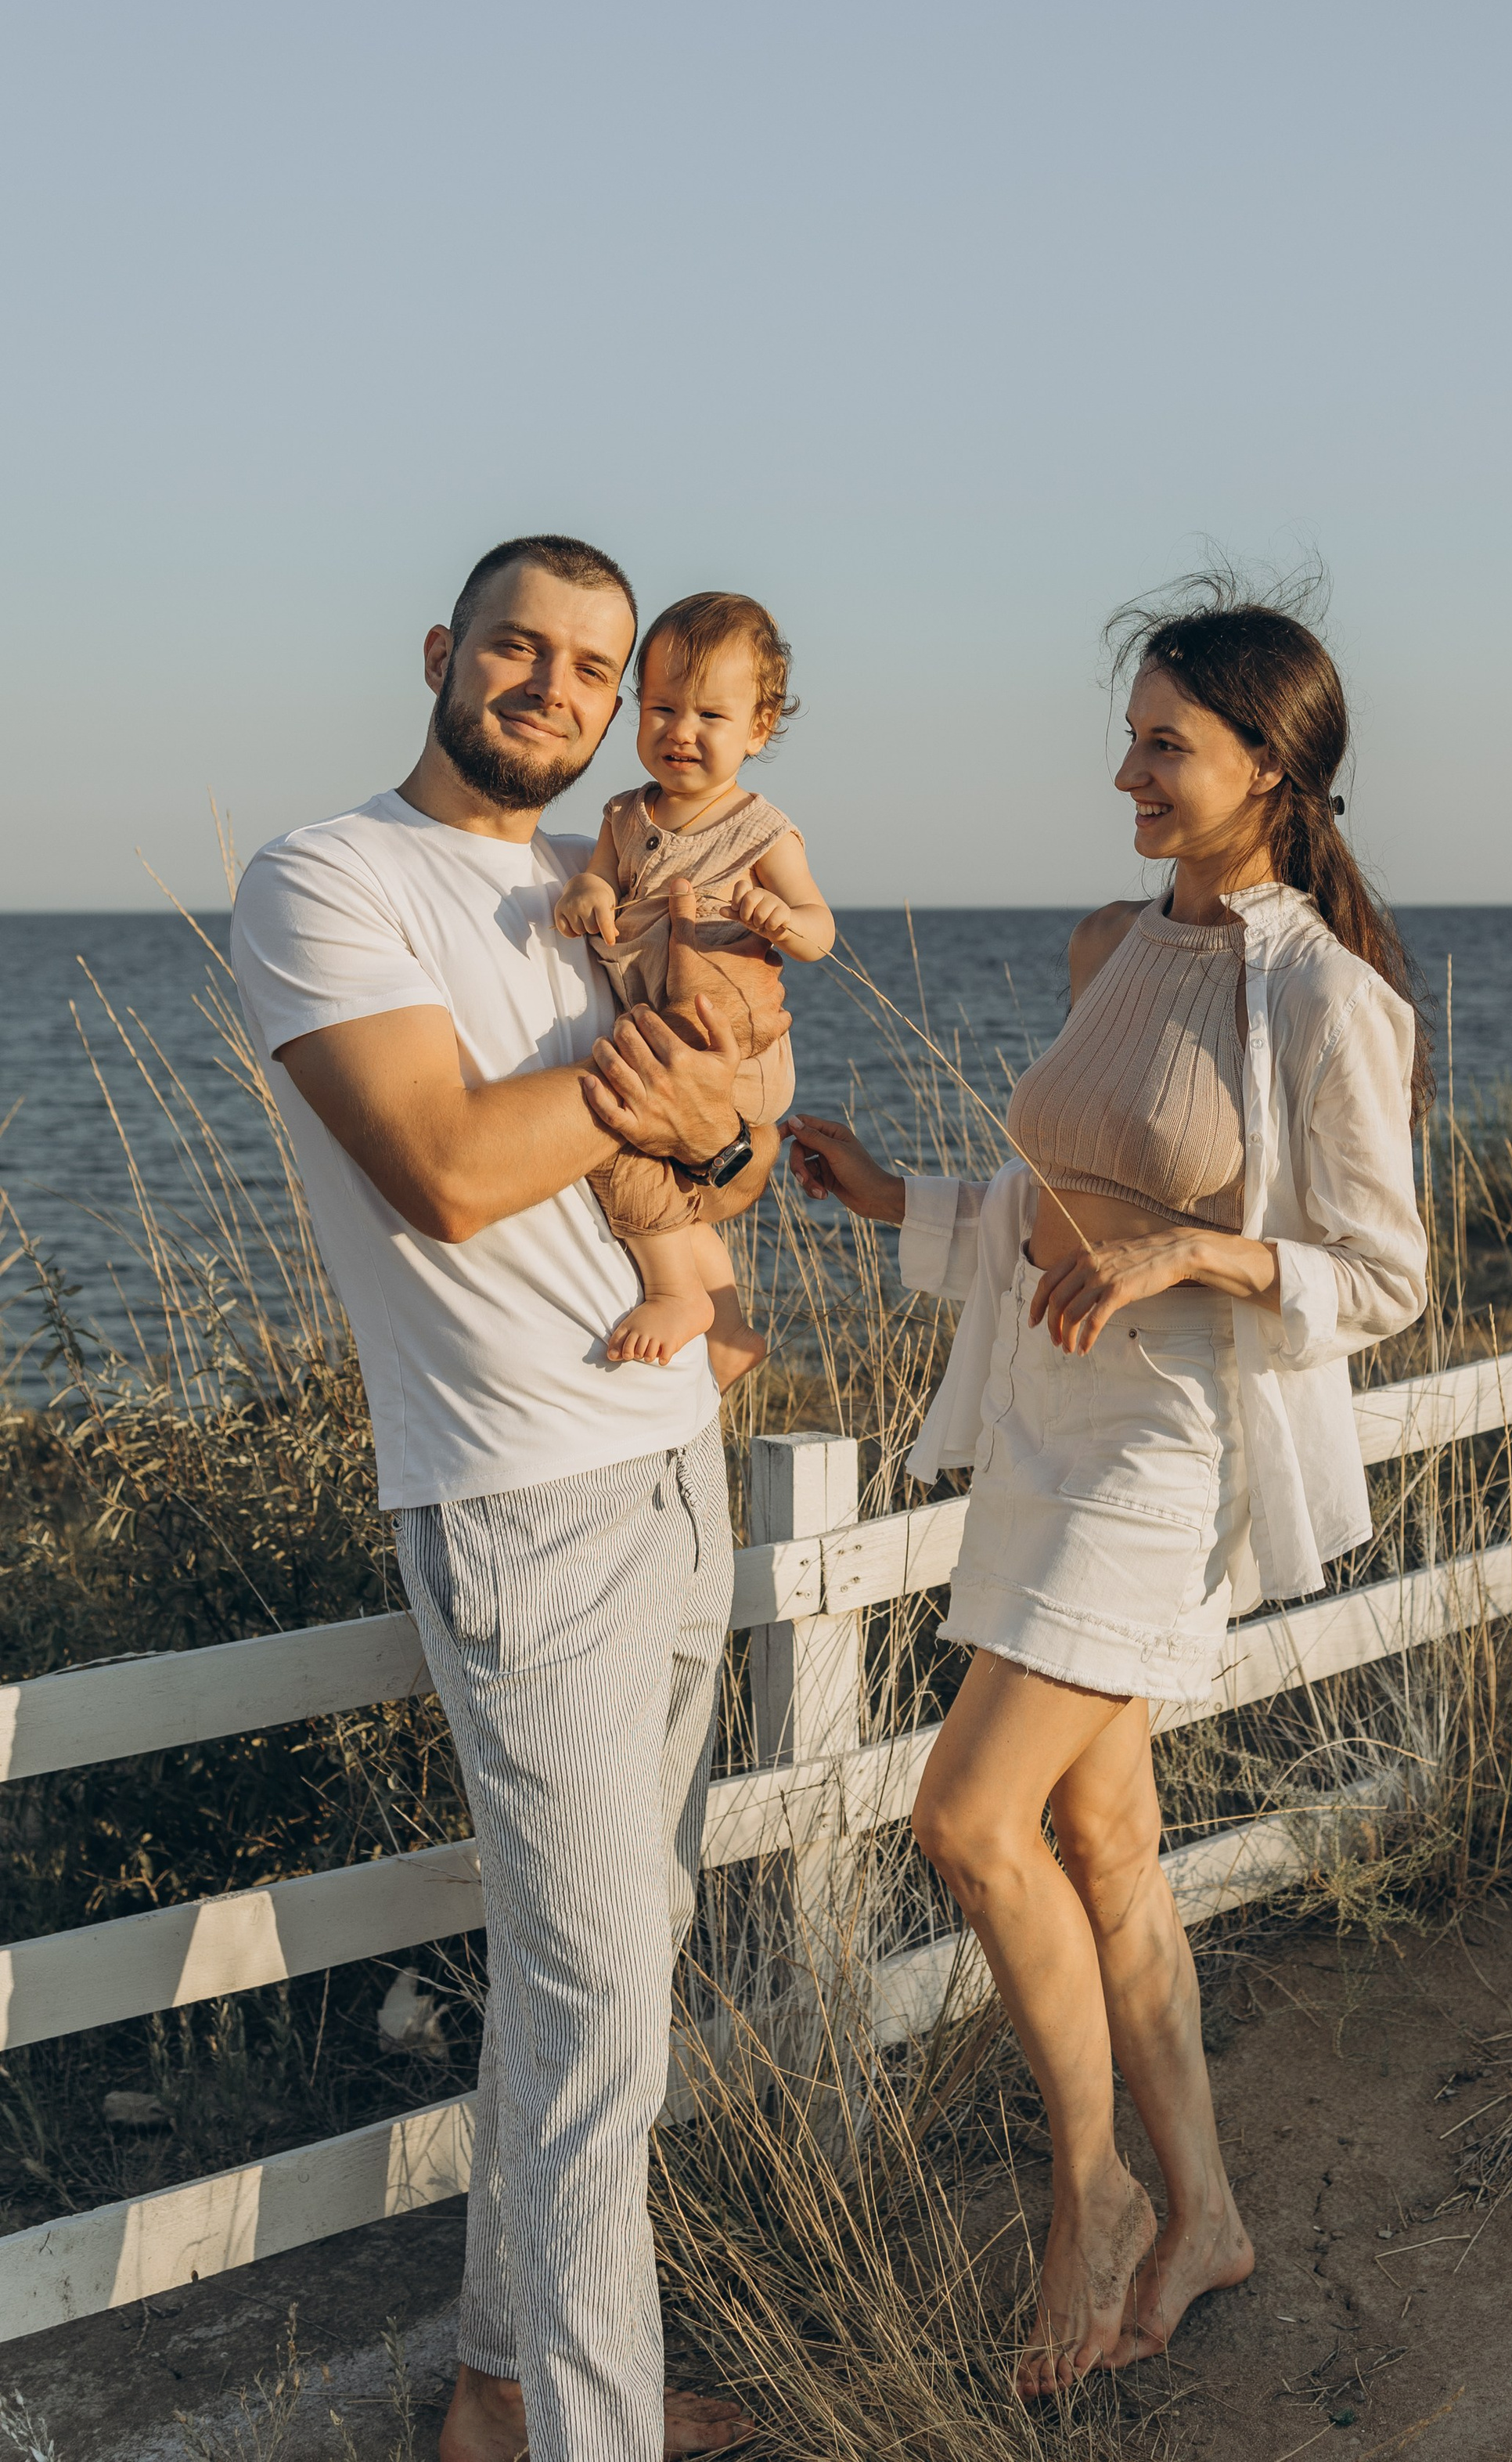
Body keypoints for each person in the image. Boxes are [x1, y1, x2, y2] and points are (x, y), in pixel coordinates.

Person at [785, 578, 1430, 2395]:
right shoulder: (1104, 946)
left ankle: (1096, 2199)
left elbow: (1379, 1276)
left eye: (1167, 744)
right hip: (1045, 1429)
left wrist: (1189, 1263)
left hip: (1163, 1451)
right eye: (1131, 736)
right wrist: (894, 1194)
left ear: (1268, 773)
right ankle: (1206, 2210)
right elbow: (1054, 1202)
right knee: (1103, 1840)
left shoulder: (1322, 995)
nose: (1128, 770)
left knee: (964, 1819)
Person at [230, 533, 780, 2462]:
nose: (555, 687)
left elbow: (727, 1151)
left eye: (594, 664)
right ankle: (590, 2440)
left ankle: (495, 2386)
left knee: (600, 1983)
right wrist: (674, 1091)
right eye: (520, 648)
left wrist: (702, 1117)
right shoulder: (325, 875)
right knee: (605, 2007)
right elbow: (451, 1170)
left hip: (669, 1470)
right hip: (516, 1506)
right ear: (445, 650)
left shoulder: (596, 877)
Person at [556, 589, 834, 1386]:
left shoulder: (758, 829)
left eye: (709, 716)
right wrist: (588, 893)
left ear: (758, 726)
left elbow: (820, 934)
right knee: (670, 1178)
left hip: (728, 1046)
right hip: (666, 1027)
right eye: (662, 708)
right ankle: (732, 1324)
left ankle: (680, 1294)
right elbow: (599, 883)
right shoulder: (622, 815)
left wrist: (780, 918)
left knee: (621, 1150)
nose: (681, 732)